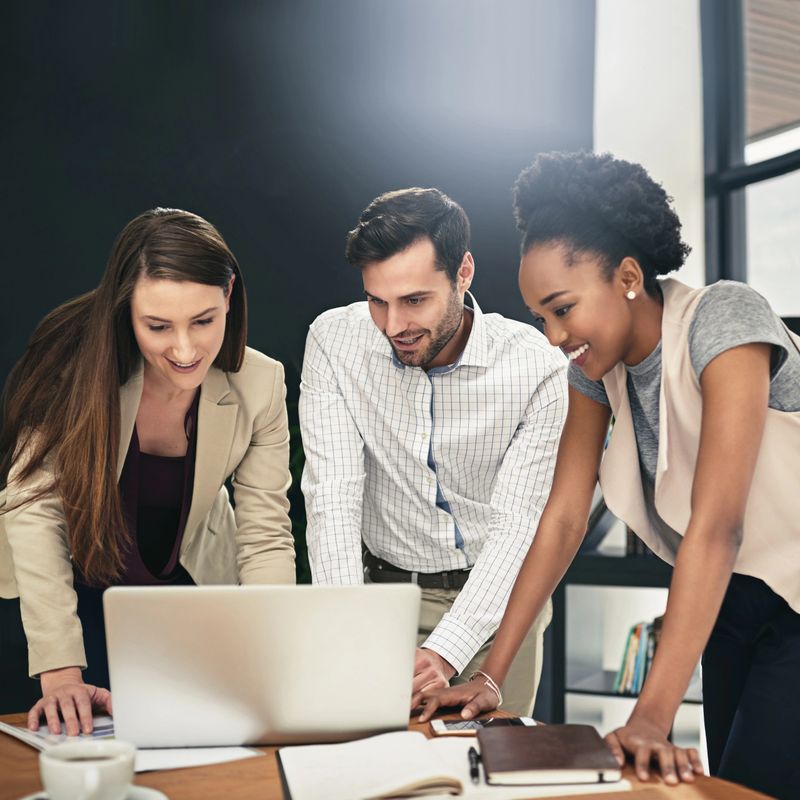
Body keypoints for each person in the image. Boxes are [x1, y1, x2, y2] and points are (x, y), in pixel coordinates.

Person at [418, 152, 800, 800]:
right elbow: (563, 519)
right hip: (732, 604)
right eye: (542, 316)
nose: (553, 335)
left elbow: (717, 526)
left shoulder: (725, 318)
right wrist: (491, 674)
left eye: (563, 309)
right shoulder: (593, 374)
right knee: (728, 786)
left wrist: (650, 716)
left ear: (627, 276)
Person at [0, 208, 296, 735]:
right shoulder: (72, 365)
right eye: (158, 326)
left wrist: (271, 650)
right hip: (67, 592)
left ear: (229, 294)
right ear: (125, 309)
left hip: (185, 590)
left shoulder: (262, 383)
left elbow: (264, 534)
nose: (185, 350)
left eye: (203, 320)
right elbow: (33, 508)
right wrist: (60, 666)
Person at [299, 187, 567, 715]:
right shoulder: (334, 341)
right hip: (380, 598)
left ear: (463, 273)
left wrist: (447, 649)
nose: (394, 325)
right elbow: (332, 495)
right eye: (378, 300)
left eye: (415, 300)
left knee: (486, 781)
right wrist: (348, 625)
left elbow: (520, 526)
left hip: (500, 605)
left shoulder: (537, 369)